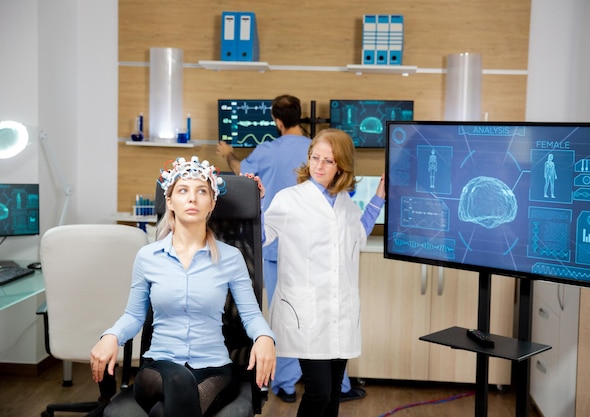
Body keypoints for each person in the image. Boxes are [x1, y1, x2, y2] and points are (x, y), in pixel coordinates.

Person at [90, 156, 276, 417]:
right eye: (183, 190)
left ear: (212, 203)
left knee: (162, 412)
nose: (192, 198)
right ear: (170, 201)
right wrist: (111, 336)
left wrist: (265, 337)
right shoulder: (148, 257)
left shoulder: (231, 258)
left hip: (214, 369)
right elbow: (134, 315)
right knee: (177, 380)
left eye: (202, 191)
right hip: (158, 367)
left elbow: (251, 314)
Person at [256, 128, 385, 417]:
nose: (319, 166)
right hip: (307, 314)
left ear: (342, 166)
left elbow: (359, 234)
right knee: (319, 392)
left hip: (339, 312)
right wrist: (258, 203)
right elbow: (262, 235)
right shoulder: (290, 199)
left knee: (334, 393)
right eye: (316, 158)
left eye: (329, 161)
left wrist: (379, 197)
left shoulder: (345, 203)